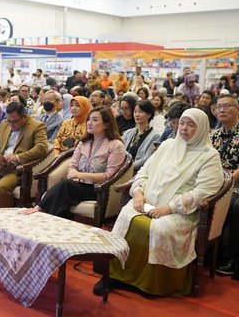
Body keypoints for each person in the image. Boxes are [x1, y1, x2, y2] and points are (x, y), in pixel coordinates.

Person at [94, 108, 224, 296]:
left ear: (202, 128)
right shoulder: (167, 145)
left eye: (191, 124)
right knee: (126, 217)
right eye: (182, 123)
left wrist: (169, 208)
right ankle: (114, 274)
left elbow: (203, 192)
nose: (184, 128)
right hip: (147, 201)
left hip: (180, 211)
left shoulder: (209, 156)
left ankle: (152, 284)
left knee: (160, 228)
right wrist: (138, 193)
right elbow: (144, 172)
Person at [21, 106, 126, 219]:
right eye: (89, 119)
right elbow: (72, 165)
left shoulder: (116, 145)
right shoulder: (84, 142)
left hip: (98, 189)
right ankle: (54, 222)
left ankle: (39, 210)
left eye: (95, 120)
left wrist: (80, 175)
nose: (89, 123)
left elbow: (109, 176)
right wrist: (73, 173)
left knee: (66, 186)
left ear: (106, 124)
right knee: (63, 197)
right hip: (78, 185)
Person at [0, 102, 49, 211]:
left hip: (18, 169)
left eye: (14, 121)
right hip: (0, 165)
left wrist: (18, 157)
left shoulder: (37, 126)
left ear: (24, 117)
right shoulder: (4, 124)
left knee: (0, 188)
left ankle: (5, 221)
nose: (10, 124)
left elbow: (42, 148)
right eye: (8, 120)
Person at [211, 94, 239, 278]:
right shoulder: (213, 135)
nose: (221, 109)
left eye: (227, 106)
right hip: (212, 182)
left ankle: (230, 256)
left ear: (237, 109)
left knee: (235, 206)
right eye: (219, 106)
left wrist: (227, 183)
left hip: (234, 184)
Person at [122, 100, 160, 171]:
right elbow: (120, 151)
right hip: (122, 169)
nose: (136, 114)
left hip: (138, 171)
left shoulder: (156, 136)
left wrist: (126, 168)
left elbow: (146, 159)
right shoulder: (128, 133)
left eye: (141, 112)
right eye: (135, 111)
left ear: (149, 115)